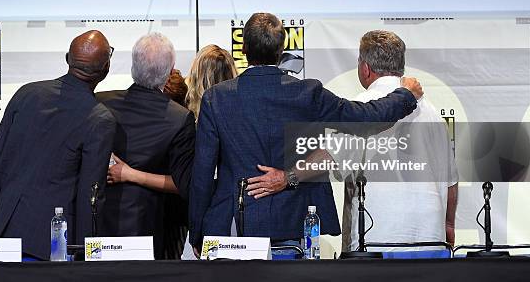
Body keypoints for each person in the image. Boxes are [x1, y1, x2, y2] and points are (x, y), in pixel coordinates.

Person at [189, 13, 424, 257]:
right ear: (281, 50)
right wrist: (405, 94)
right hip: (291, 222)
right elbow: (365, 118)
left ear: (244, 49)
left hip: (233, 227)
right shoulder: (307, 93)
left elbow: (203, 174)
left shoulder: (216, 98)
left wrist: (197, 231)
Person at [0, 30, 116, 260]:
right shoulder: (100, 119)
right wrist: (86, 253)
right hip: (52, 248)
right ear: (105, 70)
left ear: (67, 59)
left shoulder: (26, 94)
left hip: (2, 234)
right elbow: (91, 195)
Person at [340, 30, 458, 250]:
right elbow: (450, 181)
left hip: (376, 241)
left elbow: (335, 165)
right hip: (430, 239)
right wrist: (448, 224)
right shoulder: (432, 112)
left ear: (365, 68)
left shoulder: (357, 109)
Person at [97, 33, 195, 259]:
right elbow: (184, 185)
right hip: (145, 232)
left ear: (133, 67)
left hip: (100, 227)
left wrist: (128, 173)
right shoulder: (180, 118)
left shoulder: (100, 102)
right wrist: (130, 174)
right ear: (170, 73)